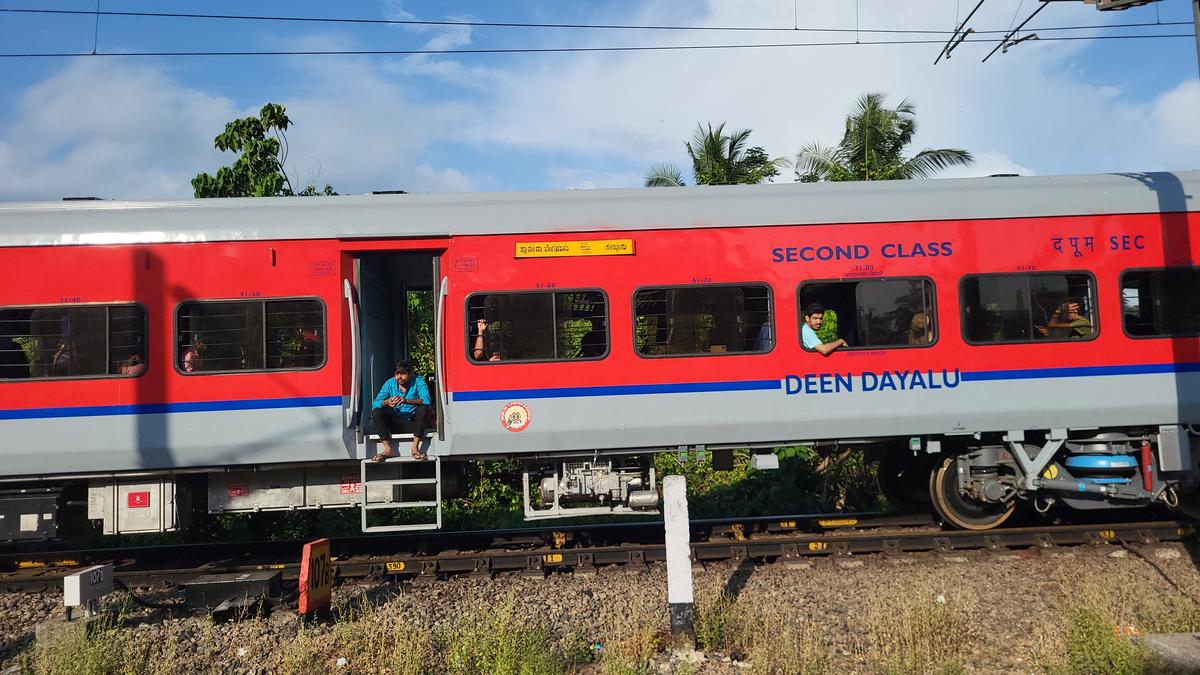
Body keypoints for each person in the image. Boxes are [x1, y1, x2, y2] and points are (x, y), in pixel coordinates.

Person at [370, 360, 432, 461]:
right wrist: (387, 402)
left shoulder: (419, 381)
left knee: (423, 408)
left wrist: (406, 401)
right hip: (397, 422)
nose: (399, 377)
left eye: (403, 374)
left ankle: (415, 448)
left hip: (414, 424)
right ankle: (387, 449)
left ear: (410, 374)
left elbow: (426, 400)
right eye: (397, 374)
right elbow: (375, 403)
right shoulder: (390, 383)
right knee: (377, 411)